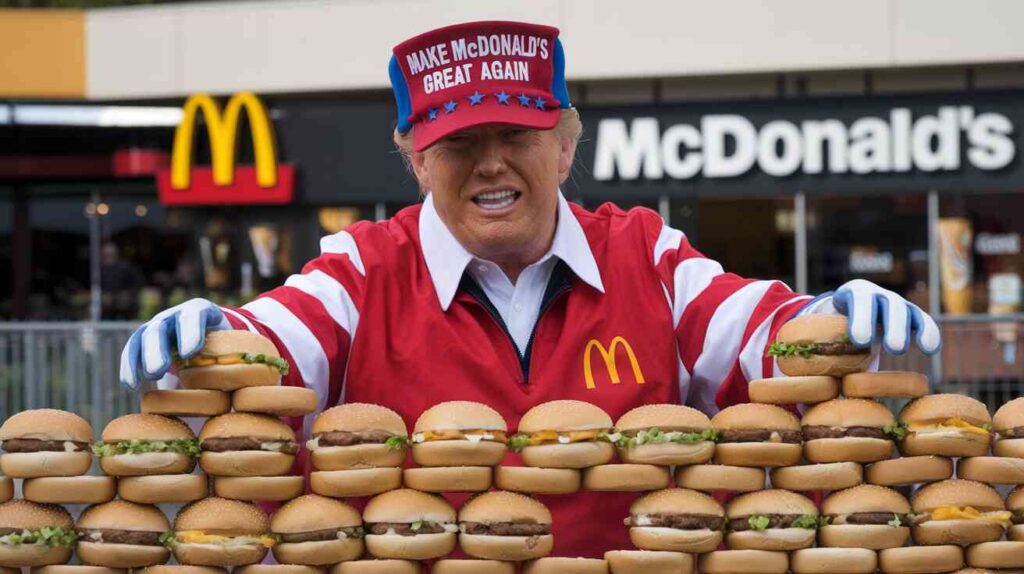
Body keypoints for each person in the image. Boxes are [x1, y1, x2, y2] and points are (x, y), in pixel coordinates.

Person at [120, 21, 941, 558]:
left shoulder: (644, 251)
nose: (490, 163)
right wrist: (215, 335)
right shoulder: (362, 267)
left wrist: (824, 319)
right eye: (458, 142)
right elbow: (275, 341)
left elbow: (749, 324)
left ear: (565, 148)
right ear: (416, 162)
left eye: (516, 135)